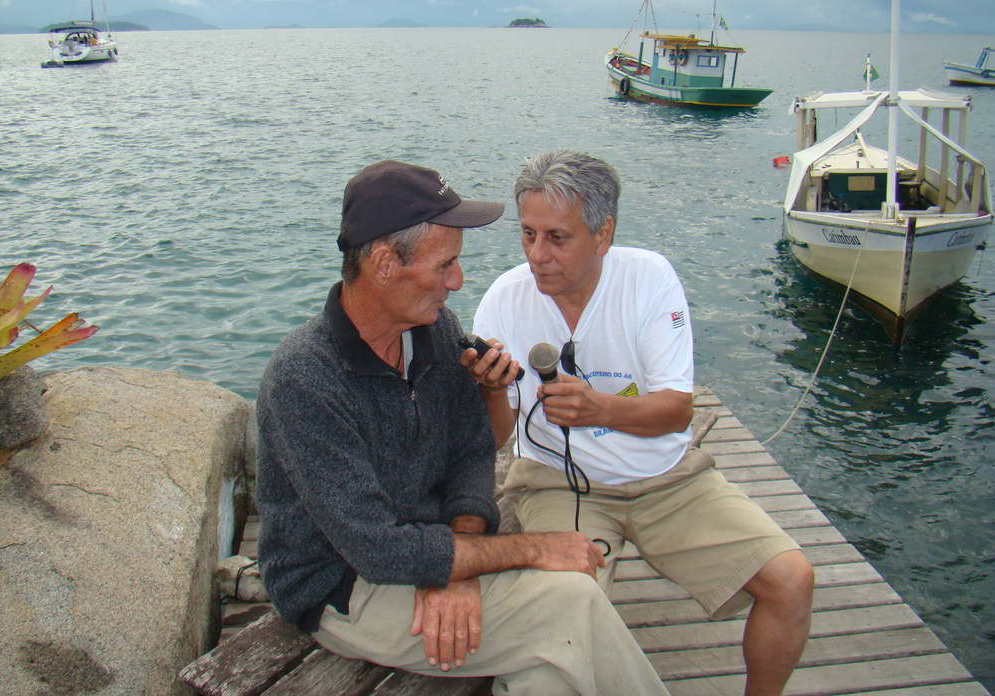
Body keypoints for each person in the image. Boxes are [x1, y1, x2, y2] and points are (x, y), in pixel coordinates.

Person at [256, 159, 670, 696]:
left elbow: (473, 450)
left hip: (429, 548)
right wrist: (530, 548)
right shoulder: (304, 380)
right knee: (573, 602)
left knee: (549, 670)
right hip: (344, 585)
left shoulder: (434, 329)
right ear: (384, 263)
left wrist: (458, 559)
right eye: (445, 264)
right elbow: (377, 549)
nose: (458, 280)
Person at [466, 150, 815, 696]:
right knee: (561, 624)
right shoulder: (503, 302)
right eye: (528, 234)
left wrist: (598, 408)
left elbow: (676, 410)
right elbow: (499, 437)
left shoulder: (649, 279)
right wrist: (490, 390)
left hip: (668, 480)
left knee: (792, 580)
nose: (538, 255)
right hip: (559, 484)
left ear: (603, 234)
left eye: (558, 237)